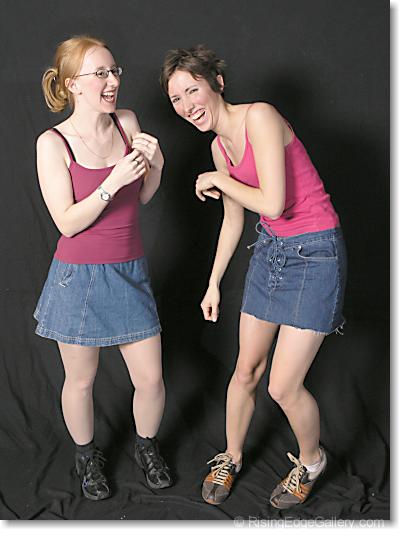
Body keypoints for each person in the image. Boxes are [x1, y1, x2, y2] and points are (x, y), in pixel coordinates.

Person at [161, 45, 347, 509]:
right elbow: (234, 219)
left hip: (316, 254)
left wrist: (219, 180)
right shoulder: (218, 147)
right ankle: (231, 455)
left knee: (282, 385)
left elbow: (273, 203)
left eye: (192, 90)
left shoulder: (260, 116)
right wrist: (213, 282)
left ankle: (312, 460)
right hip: (271, 251)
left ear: (217, 83)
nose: (186, 105)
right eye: (176, 99)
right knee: (245, 370)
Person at [34, 35, 172, 500]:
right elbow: (67, 223)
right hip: (78, 279)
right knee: (81, 380)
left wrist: (157, 166)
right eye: (100, 73)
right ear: (73, 84)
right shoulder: (52, 143)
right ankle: (86, 458)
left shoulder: (126, 123)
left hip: (129, 271)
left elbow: (144, 195)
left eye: (114, 71)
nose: (112, 81)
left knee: (150, 379)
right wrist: (111, 182)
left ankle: (146, 447)